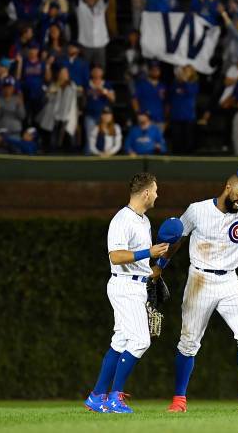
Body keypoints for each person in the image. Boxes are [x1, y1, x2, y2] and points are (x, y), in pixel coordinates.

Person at [164, 166, 238, 413]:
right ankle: (178, 400)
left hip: (230, 281)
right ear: (229, 186)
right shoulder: (197, 210)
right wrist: (159, 267)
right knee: (188, 343)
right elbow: (177, 239)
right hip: (200, 280)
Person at [83, 172, 169, 414]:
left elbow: (141, 258)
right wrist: (148, 253)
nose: (157, 194)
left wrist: (156, 267)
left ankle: (97, 396)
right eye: (155, 190)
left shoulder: (143, 220)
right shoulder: (122, 219)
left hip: (137, 285)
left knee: (120, 341)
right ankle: (114, 397)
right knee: (140, 341)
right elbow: (116, 256)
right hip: (124, 285)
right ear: (146, 193)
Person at [37, 66, 79, 151]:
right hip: (53, 117)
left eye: (66, 72)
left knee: (68, 142)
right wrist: (50, 92)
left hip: (67, 117)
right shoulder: (53, 85)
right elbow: (47, 99)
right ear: (59, 74)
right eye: (63, 72)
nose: (65, 74)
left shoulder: (72, 85)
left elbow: (74, 100)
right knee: (51, 142)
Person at [76, 0, 114, 70]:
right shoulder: (81, 8)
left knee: (101, 69)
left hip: (100, 43)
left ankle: (99, 84)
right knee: (85, 68)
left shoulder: (100, 7)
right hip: (86, 44)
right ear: (84, 0)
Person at [169, 65, 199, 154]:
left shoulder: (194, 84)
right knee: (176, 142)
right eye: (184, 71)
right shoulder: (175, 84)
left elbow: (190, 92)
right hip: (176, 117)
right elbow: (170, 94)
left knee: (188, 143)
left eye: (188, 71)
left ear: (192, 73)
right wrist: (178, 79)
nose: (185, 73)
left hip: (188, 118)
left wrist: (185, 81)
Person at [132, 61, 166, 131]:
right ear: (149, 71)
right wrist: (139, 114)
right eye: (153, 70)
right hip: (145, 119)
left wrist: (166, 120)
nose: (155, 72)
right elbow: (134, 100)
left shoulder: (162, 86)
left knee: (158, 141)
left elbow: (167, 104)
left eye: (157, 70)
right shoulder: (141, 84)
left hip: (159, 119)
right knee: (145, 141)